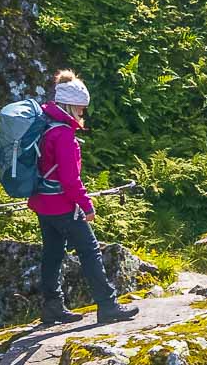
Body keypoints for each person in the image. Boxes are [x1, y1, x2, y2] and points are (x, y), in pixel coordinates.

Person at [29, 71, 136, 326]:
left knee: (53, 253)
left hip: (42, 202)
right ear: (71, 105)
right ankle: (108, 306)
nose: (82, 114)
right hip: (62, 205)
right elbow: (69, 179)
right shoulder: (63, 134)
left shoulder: (44, 124)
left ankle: (53, 307)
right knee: (89, 251)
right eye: (80, 108)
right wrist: (86, 205)